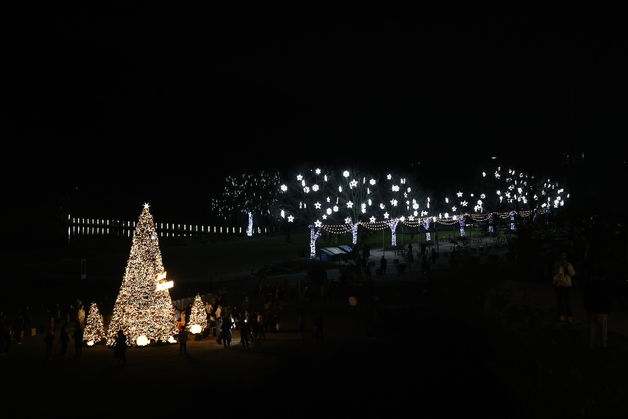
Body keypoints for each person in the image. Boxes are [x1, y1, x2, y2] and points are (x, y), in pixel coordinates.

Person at [584, 261, 612, 349]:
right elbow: (608, 298)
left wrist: (587, 306)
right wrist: (609, 310)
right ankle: (603, 346)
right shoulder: (606, 285)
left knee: (592, 329)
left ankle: (591, 345)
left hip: (592, 309)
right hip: (602, 310)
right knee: (603, 330)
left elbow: (586, 296)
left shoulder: (591, 284)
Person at [552, 251, 576, 323]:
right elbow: (554, 274)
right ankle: (561, 315)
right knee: (560, 301)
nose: (563, 258)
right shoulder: (556, 264)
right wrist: (555, 281)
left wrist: (567, 267)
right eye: (561, 256)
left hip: (566, 285)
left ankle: (569, 316)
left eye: (564, 256)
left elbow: (573, 274)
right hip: (559, 285)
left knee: (567, 301)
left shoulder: (568, 264)